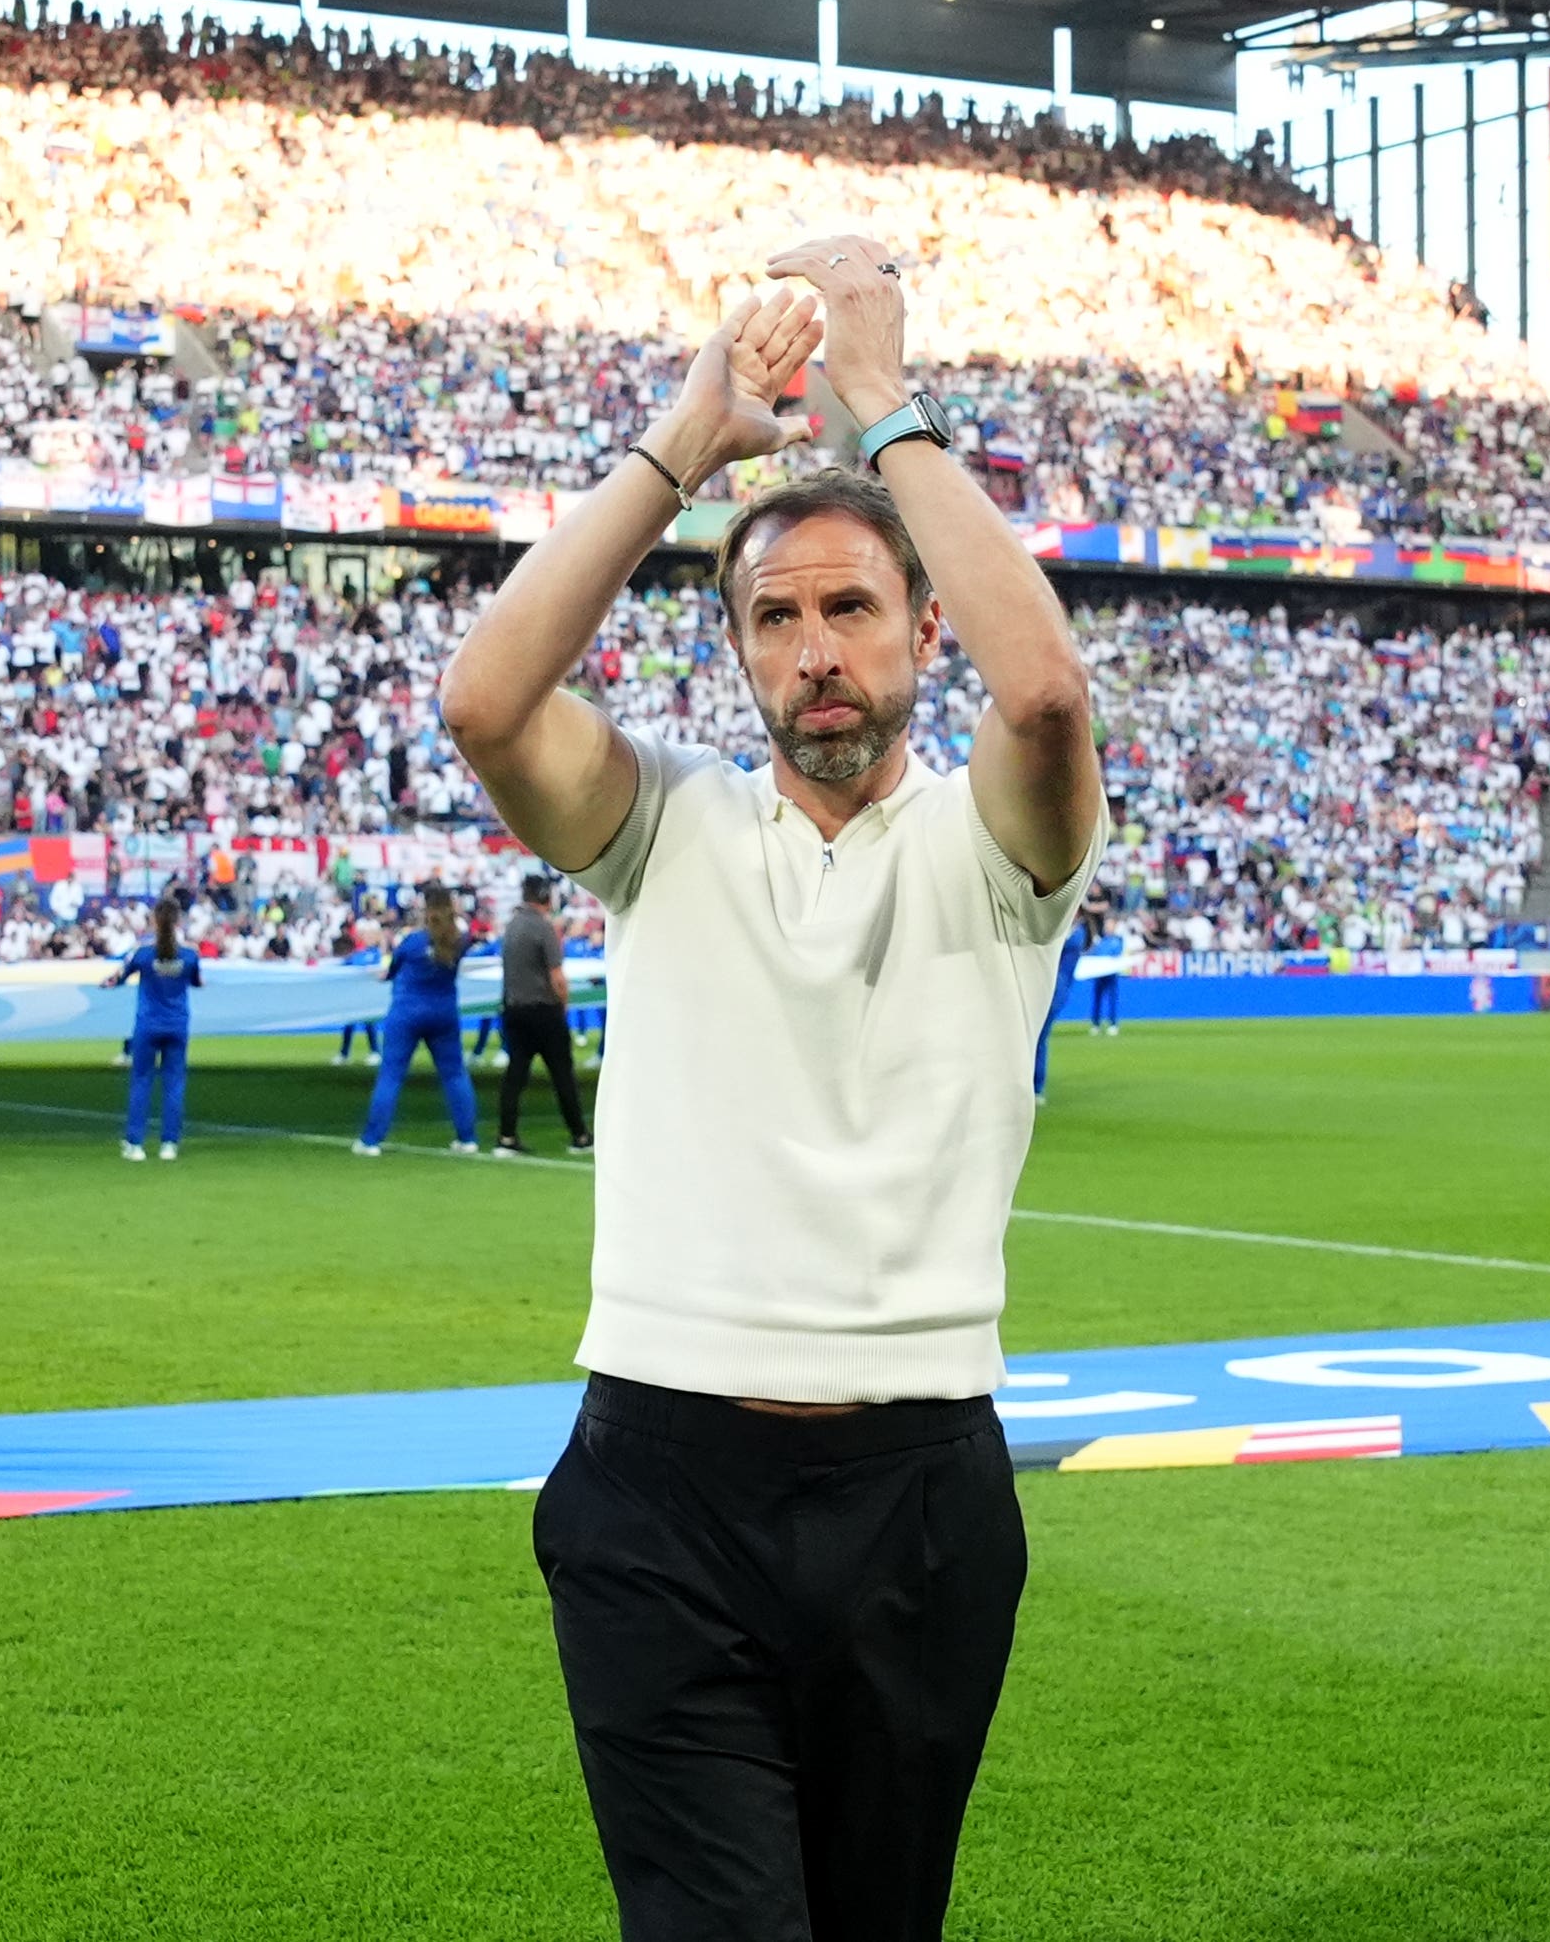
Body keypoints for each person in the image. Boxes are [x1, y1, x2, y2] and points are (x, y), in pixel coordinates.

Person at [440, 243, 1101, 1940]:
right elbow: (485, 699)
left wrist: (881, 410)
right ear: (734, 650)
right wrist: (689, 434)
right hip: (658, 1479)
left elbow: (1041, 693)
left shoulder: (996, 845)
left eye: (849, 607)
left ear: (915, 627)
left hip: (918, 1498)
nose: (813, 649)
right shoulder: (662, 825)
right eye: (773, 616)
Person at [352, 881, 478, 1155]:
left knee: (391, 1076)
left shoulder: (413, 941)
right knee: (455, 1075)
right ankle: (467, 1138)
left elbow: (391, 970)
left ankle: (371, 1140)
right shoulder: (459, 941)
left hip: (407, 1013)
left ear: (425, 909)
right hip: (444, 1012)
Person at [493, 873, 590, 1157]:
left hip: (515, 1009)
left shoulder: (511, 927)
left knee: (515, 1076)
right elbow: (557, 977)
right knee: (562, 1075)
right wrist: (563, 1003)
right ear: (547, 897)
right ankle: (579, 1135)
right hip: (544, 1011)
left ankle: (506, 1136)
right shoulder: (543, 928)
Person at [104, 896, 202, 1161]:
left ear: (154, 921)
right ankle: (169, 1143)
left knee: (141, 1082)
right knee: (174, 1085)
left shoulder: (143, 953)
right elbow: (197, 982)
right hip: (177, 1025)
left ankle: (135, 1143)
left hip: (148, 1024)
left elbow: (116, 979)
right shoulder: (190, 955)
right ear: (179, 920)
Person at [1035, 902, 1091, 1100]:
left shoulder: (1075, 935)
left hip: (1055, 989)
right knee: (1036, 1037)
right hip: (1052, 987)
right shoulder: (1072, 933)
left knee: (1039, 1037)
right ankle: (1033, 1086)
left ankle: (1036, 1086)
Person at [1087, 908, 1125, 1033]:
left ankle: (1113, 1024)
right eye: (1107, 925)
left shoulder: (1117, 941)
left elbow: (1117, 955)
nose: (1108, 927)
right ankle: (1095, 1024)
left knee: (1111, 999)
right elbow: (1093, 955)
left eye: (1110, 925)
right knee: (1097, 999)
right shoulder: (1100, 941)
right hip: (1099, 974)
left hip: (1111, 974)